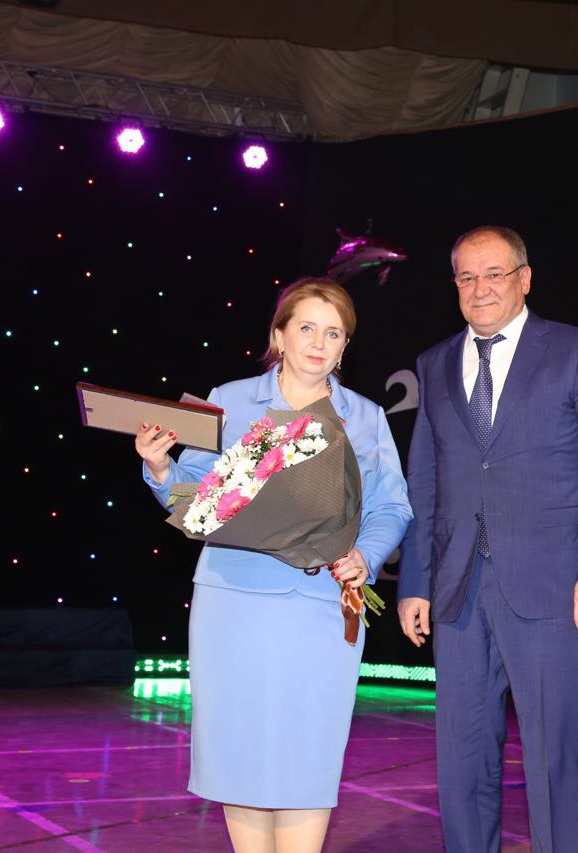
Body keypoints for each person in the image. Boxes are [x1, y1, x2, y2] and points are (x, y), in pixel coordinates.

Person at [135, 278, 412, 853]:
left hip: (320, 606)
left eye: (333, 333)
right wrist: (161, 470)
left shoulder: (364, 417)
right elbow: (198, 499)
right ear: (278, 336)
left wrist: (365, 554)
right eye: (306, 328)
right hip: (231, 600)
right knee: (239, 750)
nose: (319, 343)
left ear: (345, 346)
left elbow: (391, 506)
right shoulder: (229, 400)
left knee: (308, 752)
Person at [397, 226, 578, 852]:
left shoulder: (577, 350)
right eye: (467, 277)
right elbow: (425, 482)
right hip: (457, 590)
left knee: (553, 755)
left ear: (524, 279)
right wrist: (416, 582)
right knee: (461, 755)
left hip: (555, 587)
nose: (480, 288)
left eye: (494, 273)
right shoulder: (435, 363)